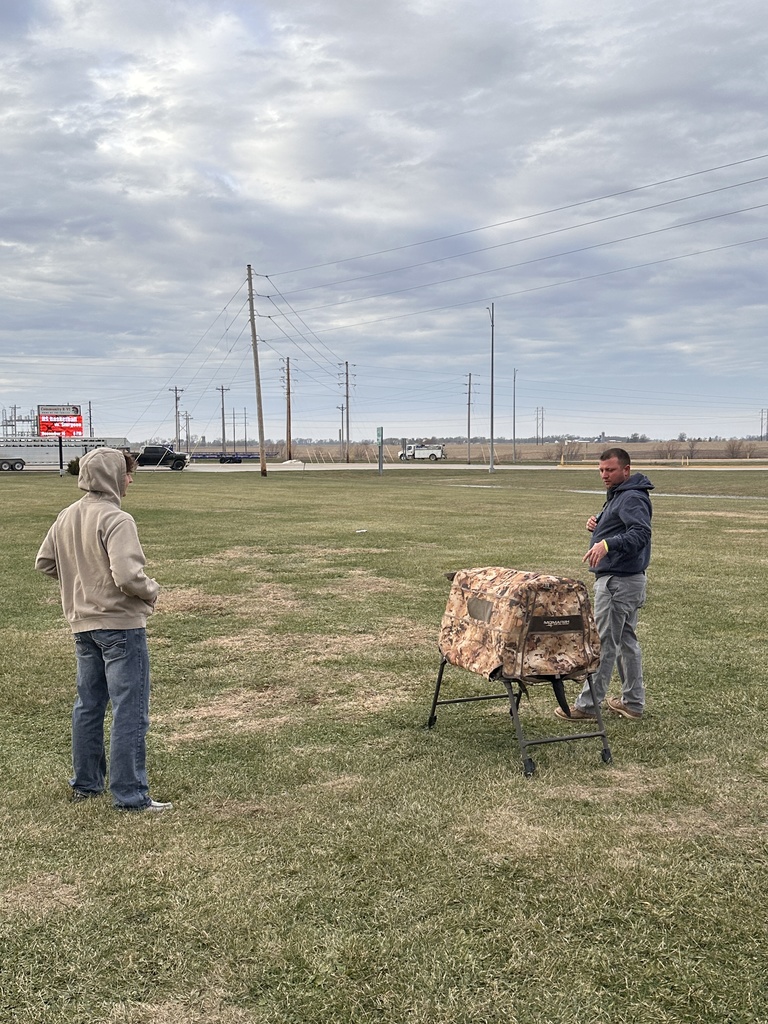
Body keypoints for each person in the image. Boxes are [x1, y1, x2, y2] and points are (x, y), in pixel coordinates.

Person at [35, 447, 172, 812]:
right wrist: (152, 590)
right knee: (130, 709)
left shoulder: (67, 516)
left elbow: (45, 562)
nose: (130, 481)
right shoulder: (116, 519)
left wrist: (81, 583)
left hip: (83, 626)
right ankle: (130, 795)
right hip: (120, 627)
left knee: (89, 705)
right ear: (114, 476)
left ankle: (86, 784)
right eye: (128, 474)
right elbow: (128, 575)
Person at [556, 447, 654, 722]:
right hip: (628, 581)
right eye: (601, 470)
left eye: (609, 470)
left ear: (626, 469)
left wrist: (607, 542)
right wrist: (599, 526)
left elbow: (640, 534)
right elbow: (623, 526)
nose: (604, 475)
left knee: (603, 644)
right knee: (626, 642)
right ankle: (632, 703)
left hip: (617, 583)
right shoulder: (622, 495)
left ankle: (588, 706)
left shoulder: (631, 497)